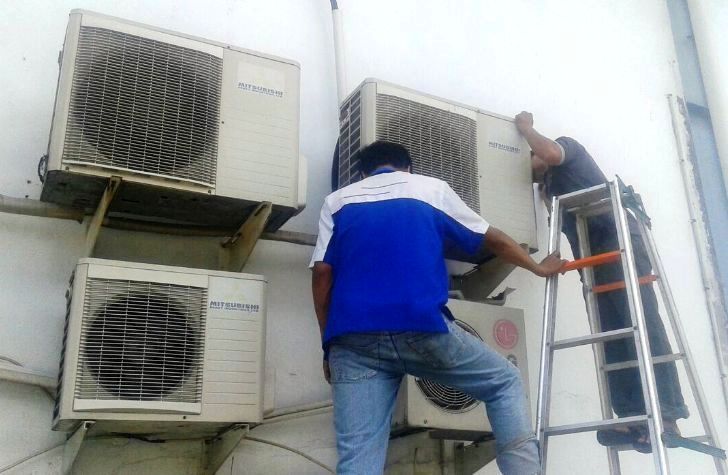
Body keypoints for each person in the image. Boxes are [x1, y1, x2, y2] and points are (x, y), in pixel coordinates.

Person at [310, 140, 565, 475]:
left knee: (358, 457)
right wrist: (537, 267)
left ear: (362, 174)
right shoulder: (430, 189)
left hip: (352, 342)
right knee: (504, 382)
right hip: (421, 327)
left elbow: (322, 274)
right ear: (408, 168)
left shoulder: (337, 201)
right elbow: (493, 239)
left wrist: (329, 345)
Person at [515, 111, 689, 452]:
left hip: (619, 245)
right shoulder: (550, 189)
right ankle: (631, 417)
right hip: (593, 261)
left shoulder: (566, 148)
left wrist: (526, 128)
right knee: (611, 335)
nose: (528, 167)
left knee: (642, 325)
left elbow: (548, 153)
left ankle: (666, 416)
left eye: (528, 158)